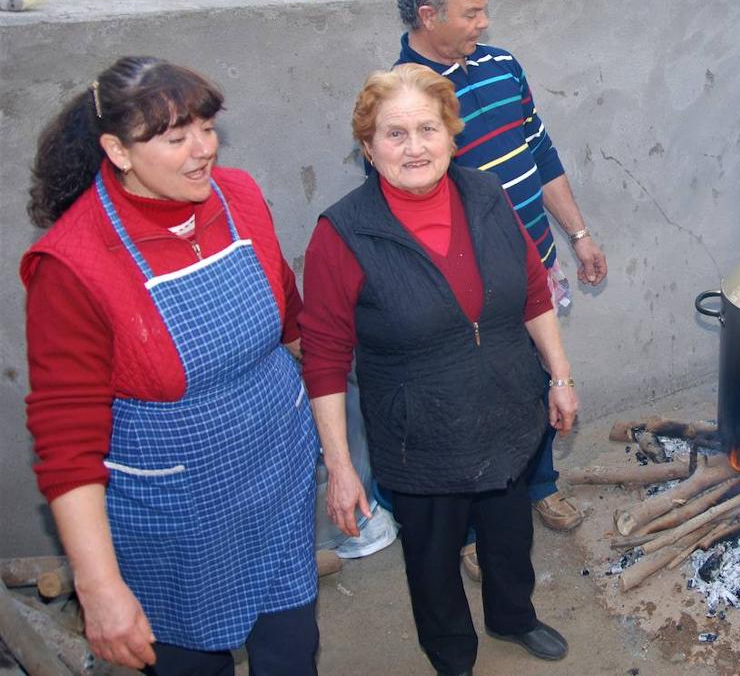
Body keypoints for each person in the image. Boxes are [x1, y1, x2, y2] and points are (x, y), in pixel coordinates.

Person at [21, 57, 318, 674]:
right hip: (176, 510)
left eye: (207, 129)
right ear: (118, 150)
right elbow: (66, 441)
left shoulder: (238, 196)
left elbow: (288, 312)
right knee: (191, 661)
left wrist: (336, 448)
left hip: (276, 473)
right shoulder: (73, 264)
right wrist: (100, 588)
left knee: (290, 646)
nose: (202, 151)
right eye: (176, 138)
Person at [301, 64, 577, 675]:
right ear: (368, 148)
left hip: (508, 407)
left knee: (509, 535)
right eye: (394, 134)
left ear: (452, 136)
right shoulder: (343, 234)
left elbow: (533, 288)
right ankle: (452, 654)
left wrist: (559, 376)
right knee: (432, 558)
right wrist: (342, 468)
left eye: (428, 128)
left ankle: (514, 617)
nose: (415, 146)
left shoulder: (485, 193)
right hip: (419, 436)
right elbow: (322, 359)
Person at [393, 0, 603, 576]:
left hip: (533, 269)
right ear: (429, 16)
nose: (484, 23)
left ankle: (538, 486)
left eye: (485, 10)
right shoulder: (406, 101)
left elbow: (540, 152)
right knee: (476, 408)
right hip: (470, 293)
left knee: (540, 381)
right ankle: (470, 529)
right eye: (472, 12)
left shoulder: (503, 66)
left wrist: (579, 233)